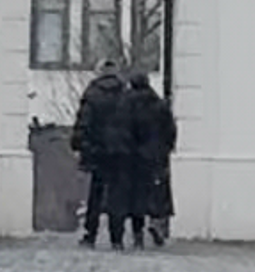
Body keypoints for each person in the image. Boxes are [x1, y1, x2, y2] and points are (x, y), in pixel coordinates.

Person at [71, 54, 133, 248]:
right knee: (118, 195)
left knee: (95, 194)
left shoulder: (92, 93)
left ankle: (91, 234)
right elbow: (133, 123)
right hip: (121, 151)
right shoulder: (125, 93)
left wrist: (78, 144)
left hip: (98, 151)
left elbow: (84, 122)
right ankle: (117, 237)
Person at [125, 60, 178, 247]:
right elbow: (171, 130)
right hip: (156, 155)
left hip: (133, 156)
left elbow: (122, 130)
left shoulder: (126, 104)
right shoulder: (160, 105)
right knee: (158, 193)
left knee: (135, 196)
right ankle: (157, 224)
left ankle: (137, 234)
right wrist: (167, 148)